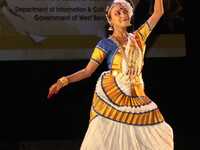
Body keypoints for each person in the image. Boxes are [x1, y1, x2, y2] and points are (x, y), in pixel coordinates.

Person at [48, 0, 174, 149]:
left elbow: (158, 12)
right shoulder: (105, 44)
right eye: (118, 13)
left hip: (137, 95)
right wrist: (64, 81)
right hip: (116, 93)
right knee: (109, 136)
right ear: (110, 20)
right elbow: (87, 71)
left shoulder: (139, 37)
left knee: (156, 132)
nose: (123, 14)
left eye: (125, 11)